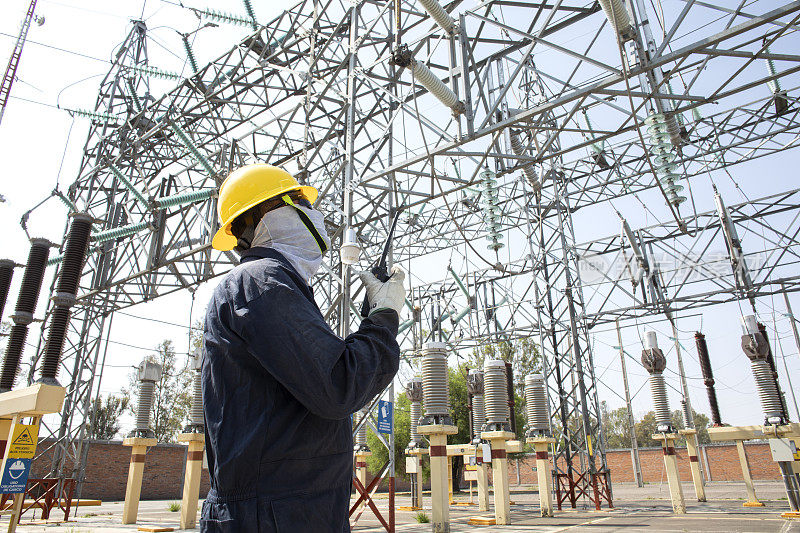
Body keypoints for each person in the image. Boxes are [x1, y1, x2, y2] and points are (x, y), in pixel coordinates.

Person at [201, 164, 404, 532]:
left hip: (283, 510)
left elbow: (317, 380)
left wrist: (372, 318)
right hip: (274, 516)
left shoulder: (267, 286)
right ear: (267, 212)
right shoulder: (261, 283)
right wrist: (383, 318)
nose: (312, 212)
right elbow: (339, 384)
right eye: (298, 200)